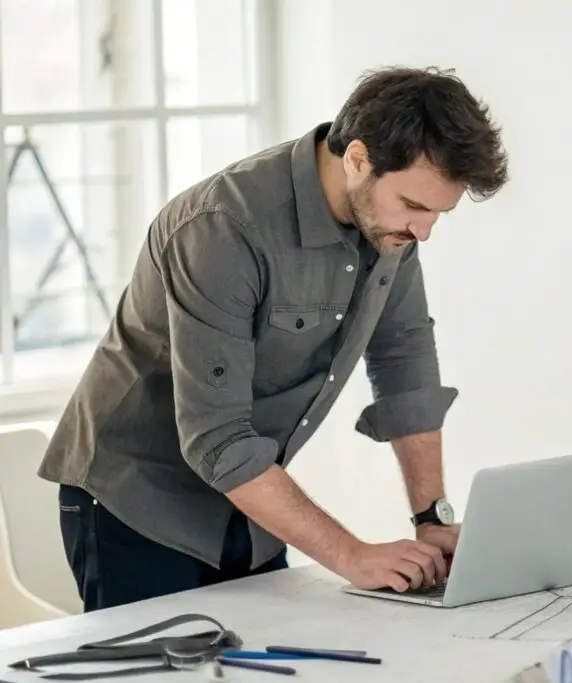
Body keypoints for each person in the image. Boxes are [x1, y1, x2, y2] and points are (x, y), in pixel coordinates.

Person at [36, 65, 509, 612]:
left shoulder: (390, 228)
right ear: (357, 159)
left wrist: (433, 519)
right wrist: (352, 555)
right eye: (415, 206)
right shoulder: (222, 227)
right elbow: (218, 438)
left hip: (250, 506)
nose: (424, 231)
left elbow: (404, 359)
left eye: (439, 214)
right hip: (137, 505)